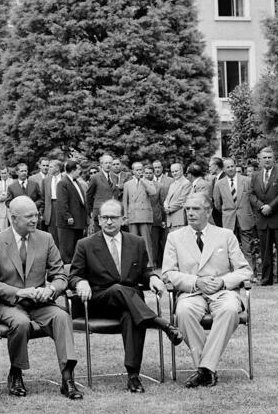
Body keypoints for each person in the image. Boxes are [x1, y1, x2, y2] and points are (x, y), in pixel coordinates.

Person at [69, 199, 183, 393]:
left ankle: (133, 375)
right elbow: (73, 275)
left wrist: (153, 278)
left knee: (132, 315)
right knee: (117, 288)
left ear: (123, 219)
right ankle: (160, 323)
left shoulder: (136, 242)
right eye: (104, 217)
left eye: (113, 217)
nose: (109, 222)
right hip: (99, 301)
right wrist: (81, 282)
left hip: (130, 305)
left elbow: (145, 271)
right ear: (98, 219)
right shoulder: (85, 244)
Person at [0, 196, 82, 400]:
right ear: (14, 218)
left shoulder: (46, 239)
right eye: (29, 216)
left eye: (36, 214)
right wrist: (17, 292)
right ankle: (16, 372)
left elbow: (60, 275)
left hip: (39, 302)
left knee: (61, 317)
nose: (35, 219)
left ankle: (67, 377)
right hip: (5, 303)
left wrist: (51, 289)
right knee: (21, 322)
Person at [160, 193, 251, 387]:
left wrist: (222, 282)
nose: (190, 213)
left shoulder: (225, 235)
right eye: (188, 209)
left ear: (208, 212)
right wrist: (195, 281)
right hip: (192, 292)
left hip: (222, 291)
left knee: (229, 309)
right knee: (183, 311)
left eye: (196, 209)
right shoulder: (175, 237)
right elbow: (168, 273)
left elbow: (244, 270)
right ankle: (207, 370)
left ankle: (204, 370)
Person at [251, 147, 278, 285]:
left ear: (274, 159)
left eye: (270, 157)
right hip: (262, 218)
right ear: (260, 160)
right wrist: (261, 206)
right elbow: (250, 194)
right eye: (264, 157)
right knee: (265, 252)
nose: (267, 160)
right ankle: (266, 279)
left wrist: (270, 207)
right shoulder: (255, 175)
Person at [212, 158, 256, 270]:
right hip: (229, 220)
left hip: (245, 218)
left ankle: (250, 274)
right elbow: (217, 204)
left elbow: (252, 199)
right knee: (230, 249)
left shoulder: (246, 181)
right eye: (228, 167)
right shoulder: (219, 184)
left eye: (232, 166)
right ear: (224, 169)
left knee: (248, 248)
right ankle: (232, 273)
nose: (231, 169)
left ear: (235, 166)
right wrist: (227, 212)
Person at [122, 161, 160, 267]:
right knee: (133, 242)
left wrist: (143, 181)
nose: (139, 172)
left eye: (141, 170)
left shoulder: (148, 182)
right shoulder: (127, 184)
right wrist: (125, 216)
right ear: (133, 171)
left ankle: (149, 265)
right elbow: (125, 201)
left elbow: (153, 192)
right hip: (132, 216)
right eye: (137, 170)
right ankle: (134, 265)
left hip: (145, 216)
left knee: (147, 242)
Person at [55, 160, 89, 263]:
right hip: (68, 223)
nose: (81, 172)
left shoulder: (77, 182)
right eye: (79, 169)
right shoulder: (62, 183)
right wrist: (67, 216)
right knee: (67, 251)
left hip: (78, 222)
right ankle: (66, 273)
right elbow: (62, 202)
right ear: (73, 170)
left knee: (76, 250)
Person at [84, 154, 120, 232]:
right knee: (99, 235)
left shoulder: (115, 177)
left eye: (110, 163)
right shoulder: (95, 178)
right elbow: (89, 196)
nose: (108, 165)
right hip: (99, 211)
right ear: (101, 164)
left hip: (112, 211)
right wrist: (91, 210)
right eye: (106, 163)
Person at [163, 162, 191, 233]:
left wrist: (169, 209)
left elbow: (182, 200)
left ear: (181, 171)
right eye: (172, 172)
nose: (174, 173)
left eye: (176, 171)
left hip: (179, 218)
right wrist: (165, 205)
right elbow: (167, 199)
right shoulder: (172, 185)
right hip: (170, 219)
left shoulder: (186, 183)